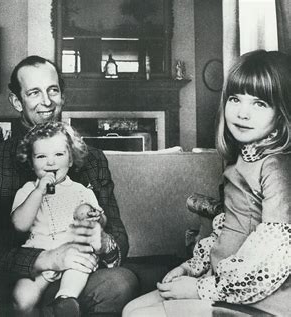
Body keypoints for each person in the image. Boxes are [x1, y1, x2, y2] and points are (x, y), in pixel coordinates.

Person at [122, 50, 291, 317]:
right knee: (133, 308)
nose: (243, 113)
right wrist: (192, 268)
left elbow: (272, 261)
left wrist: (201, 288)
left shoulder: (277, 166)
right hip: (222, 281)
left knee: (140, 315)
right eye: (235, 99)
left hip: (262, 298)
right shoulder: (239, 162)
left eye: (259, 103)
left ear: (282, 113)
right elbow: (229, 234)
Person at [0, 55, 139, 316]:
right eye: (34, 93)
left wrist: (102, 241)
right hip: (22, 278)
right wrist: (48, 258)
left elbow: (119, 237)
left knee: (121, 282)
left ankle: (63, 304)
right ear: (17, 101)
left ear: (63, 95)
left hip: (77, 276)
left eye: (53, 90)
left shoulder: (91, 159)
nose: (47, 101)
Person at [11, 121, 107, 315]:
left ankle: (64, 300)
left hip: (75, 253)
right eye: (41, 156)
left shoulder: (81, 190)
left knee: (79, 268)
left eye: (59, 155)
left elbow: (101, 221)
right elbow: (19, 225)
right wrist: (39, 191)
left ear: (71, 160)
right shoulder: (29, 190)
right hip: (40, 257)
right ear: (31, 163)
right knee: (22, 297)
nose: (51, 162)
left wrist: (96, 217)